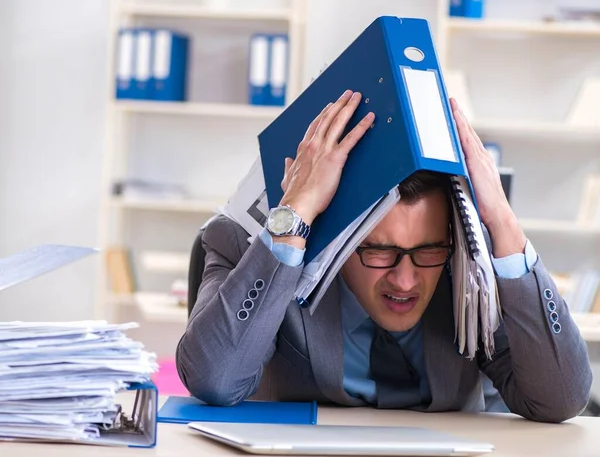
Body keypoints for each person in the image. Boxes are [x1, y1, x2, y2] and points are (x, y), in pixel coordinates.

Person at [176, 89, 592, 423]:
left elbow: (560, 399)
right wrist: (296, 217)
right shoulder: (244, 242)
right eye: (379, 251)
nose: (406, 280)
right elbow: (215, 380)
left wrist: (504, 222)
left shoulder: (468, 266)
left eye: (427, 250)